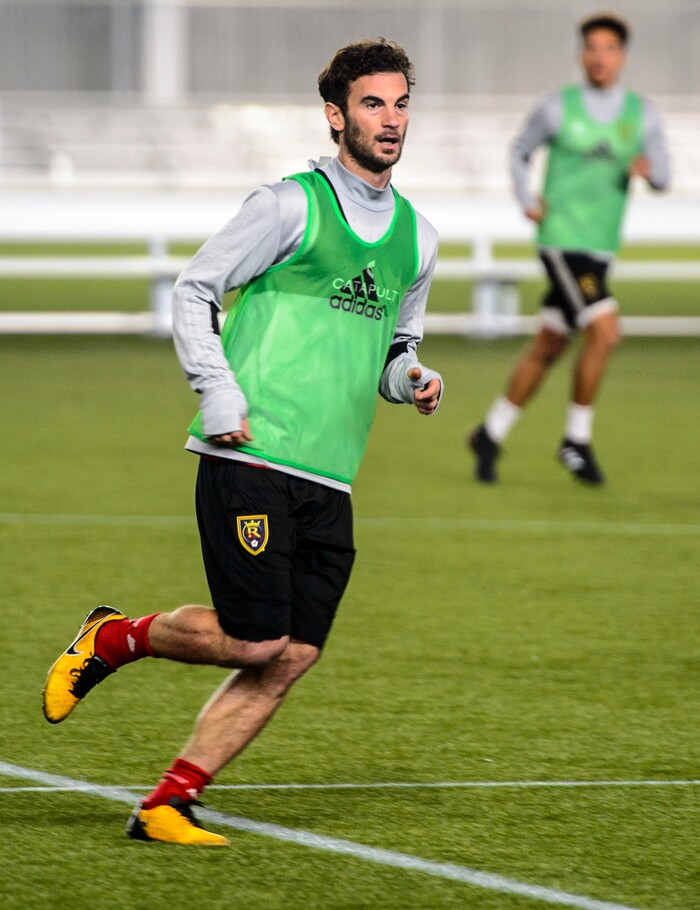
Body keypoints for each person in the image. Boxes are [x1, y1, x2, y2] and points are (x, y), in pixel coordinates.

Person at [42, 39, 442, 847]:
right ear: (336, 116)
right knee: (257, 636)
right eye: (373, 103)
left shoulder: (418, 238)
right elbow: (195, 288)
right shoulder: (290, 204)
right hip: (250, 452)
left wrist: (413, 379)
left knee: (290, 655)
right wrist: (217, 389)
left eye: (400, 103)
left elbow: (396, 347)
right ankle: (113, 637)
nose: (391, 119)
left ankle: (167, 803)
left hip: (333, 475)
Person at [468, 12, 669, 484]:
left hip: (600, 249)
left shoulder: (642, 114)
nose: (599, 57)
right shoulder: (557, 107)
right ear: (581, 54)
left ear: (622, 56)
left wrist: (648, 171)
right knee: (605, 331)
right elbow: (519, 150)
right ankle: (575, 441)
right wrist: (525, 197)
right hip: (562, 241)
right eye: (591, 48)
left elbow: (663, 175)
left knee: (549, 346)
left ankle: (490, 434)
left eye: (609, 48)